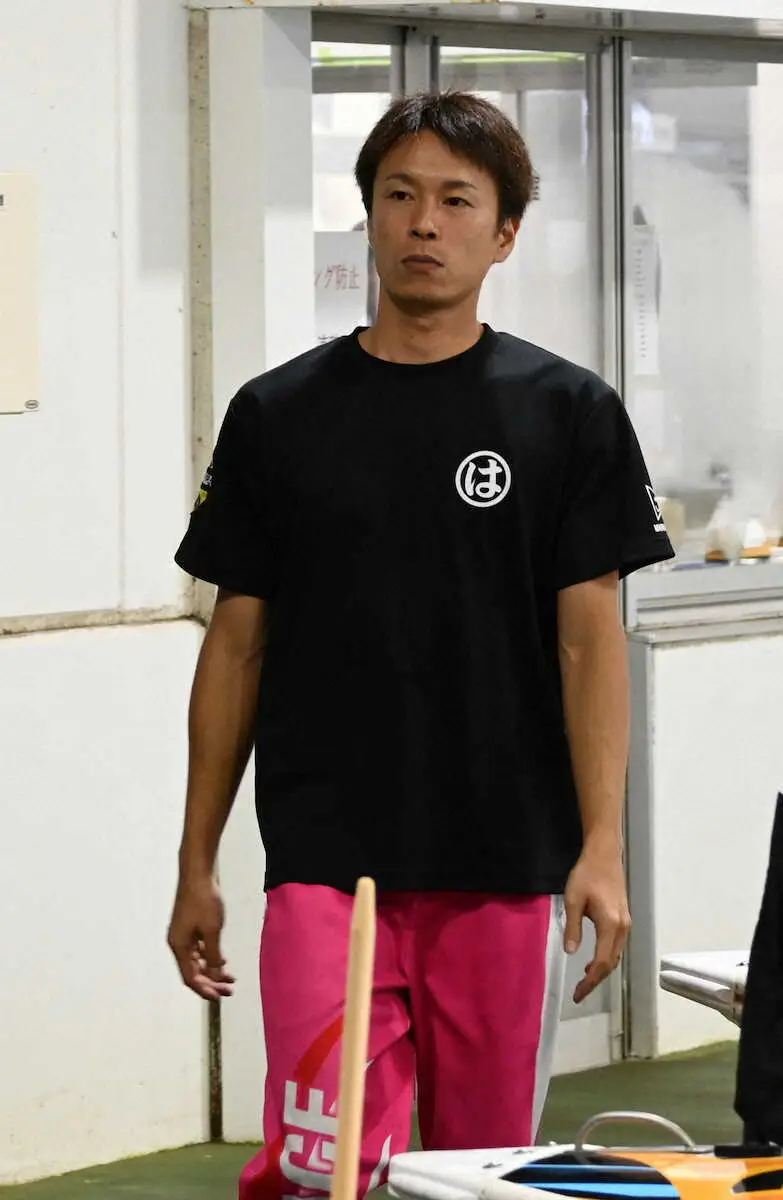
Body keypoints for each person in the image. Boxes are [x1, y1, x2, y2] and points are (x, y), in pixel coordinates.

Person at [167, 91, 675, 1200]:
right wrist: (196, 861)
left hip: (504, 862)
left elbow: (591, 649)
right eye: (400, 196)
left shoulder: (567, 412)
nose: (424, 223)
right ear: (369, 218)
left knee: (479, 1173)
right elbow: (235, 647)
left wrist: (601, 846)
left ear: (505, 234)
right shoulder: (277, 414)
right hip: (325, 865)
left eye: (456, 200)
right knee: (322, 1170)